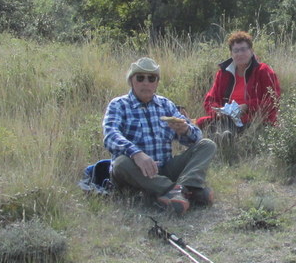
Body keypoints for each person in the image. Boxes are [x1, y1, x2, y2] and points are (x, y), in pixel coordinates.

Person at [103, 57, 216, 214]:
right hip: (136, 172)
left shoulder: (165, 105)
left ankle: (184, 188)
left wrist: (185, 130)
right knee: (121, 163)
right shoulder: (119, 104)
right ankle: (176, 191)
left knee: (207, 145)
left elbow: (196, 138)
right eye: (140, 77)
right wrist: (136, 154)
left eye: (151, 78)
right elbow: (110, 134)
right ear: (131, 81)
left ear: (157, 82)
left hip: (164, 168)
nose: (146, 83)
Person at [196, 30, 281, 140]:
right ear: (231, 54)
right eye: (236, 50)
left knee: (231, 132)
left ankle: (226, 138)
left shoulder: (263, 71)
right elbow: (210, 100)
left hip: (255, 120)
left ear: (251, 51)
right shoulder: (223, 74)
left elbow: (273, 100)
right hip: (227, 119)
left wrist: (247, 106)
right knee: (200, 124)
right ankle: (223, 138)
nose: (240, 54)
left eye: (243, 49)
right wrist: (217, 112)